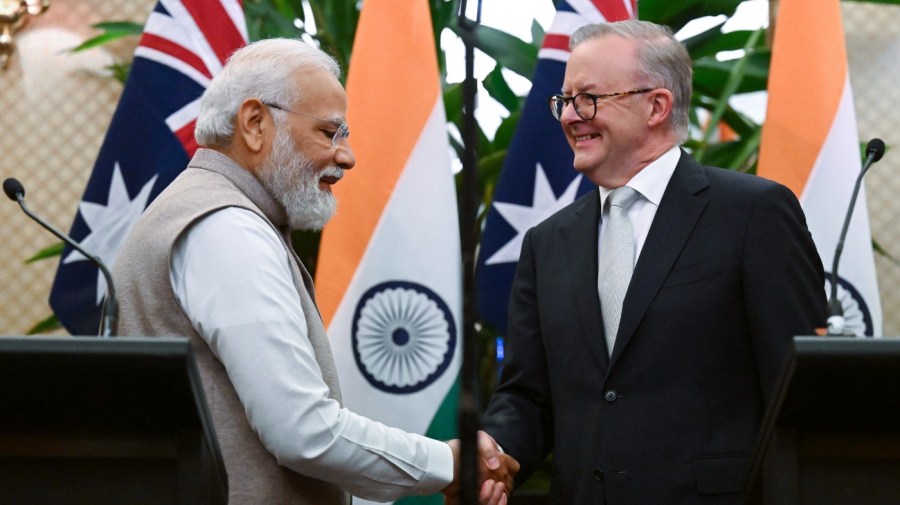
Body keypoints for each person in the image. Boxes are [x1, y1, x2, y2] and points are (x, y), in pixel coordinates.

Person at [112, 38, 516, 505]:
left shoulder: (210, 210)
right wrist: (449, 464)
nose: (347, 156)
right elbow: (302, 431)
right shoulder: (226, 226)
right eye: (330, 133)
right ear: (254, 123)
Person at [478, 20, 827, 504]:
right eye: (565, 100)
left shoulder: (753, 213)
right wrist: (497, 451)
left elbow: (800, 394)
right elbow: (528, 396)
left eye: (589, 98)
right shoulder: (546, 243)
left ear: (656, 106)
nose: (570, 116)